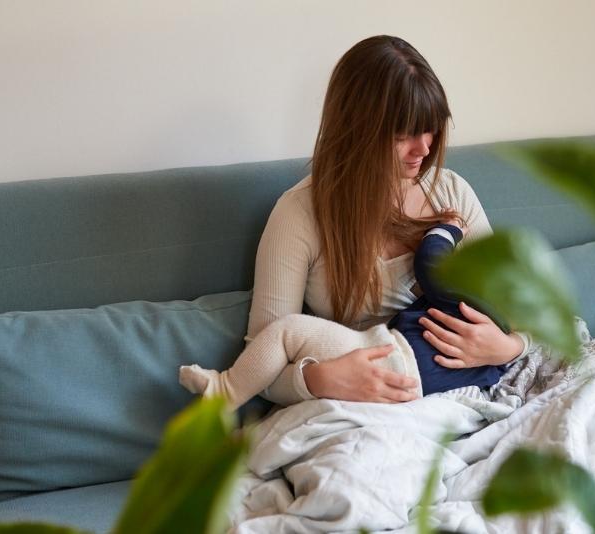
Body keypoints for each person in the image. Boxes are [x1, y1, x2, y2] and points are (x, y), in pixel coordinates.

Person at [240, 35, 531, 406]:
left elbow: (526, 308)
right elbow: (258, 365)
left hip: (465, 389)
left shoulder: (452, 193)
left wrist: (507, 347)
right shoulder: (297, 216)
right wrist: (319, 379)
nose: (424, 148)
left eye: (431, 128)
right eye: (404, 134)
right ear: (357, 132)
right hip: (367, 404)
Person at [180, 219, 529, 407]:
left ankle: (224, 390)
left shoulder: (465, 295)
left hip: (381, 357)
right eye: (405, 133)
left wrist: (448, 230)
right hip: (414, 397)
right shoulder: (492, 365)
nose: (423, 148)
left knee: (287, 333)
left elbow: (430, 261)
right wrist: (509, 352)